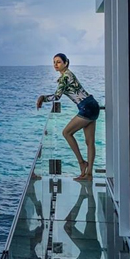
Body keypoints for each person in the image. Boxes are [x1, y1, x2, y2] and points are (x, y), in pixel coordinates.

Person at [36, 53, 100, 181]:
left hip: (86, 107)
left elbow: (57, 97)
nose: (55, 64)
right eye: (54, 62)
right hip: (93, 105)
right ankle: (89, 174)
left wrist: (43, 98)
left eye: (59, 62)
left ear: (66, 63)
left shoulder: (65, 77)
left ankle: (82, 163)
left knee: (66, 133)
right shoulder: (67, 75)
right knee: (90, 142)